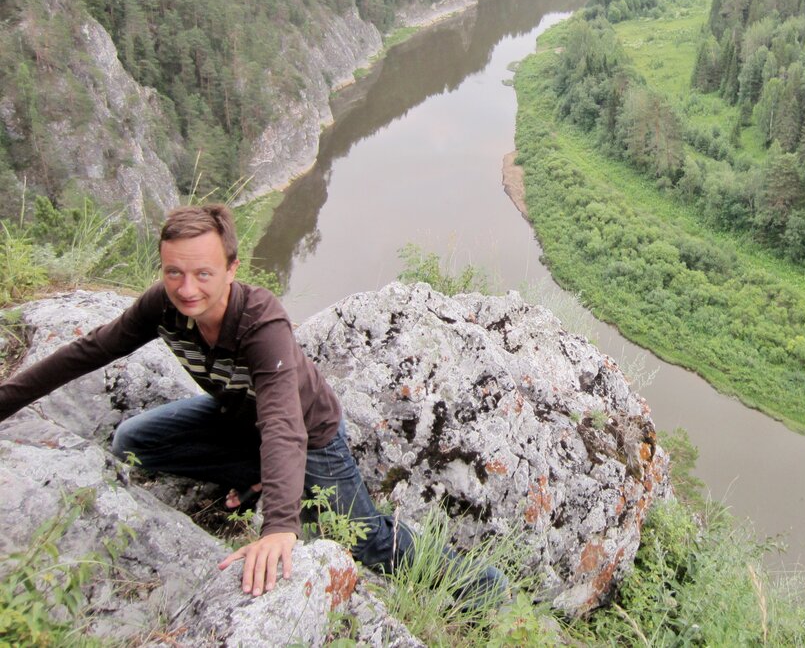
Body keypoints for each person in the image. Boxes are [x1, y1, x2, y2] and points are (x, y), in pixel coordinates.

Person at [0, 204, 504, 602]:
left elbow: (285, 422)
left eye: (202, 273)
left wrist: (279, 527)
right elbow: (89, 351)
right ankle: (262, 474)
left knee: (366, 540)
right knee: (134, 441)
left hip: (312, 434)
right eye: (174, 273)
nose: (186, 288)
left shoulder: (260, 322)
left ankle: (484, 587)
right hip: (238, 421)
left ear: (231, 268)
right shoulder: (162, 305)